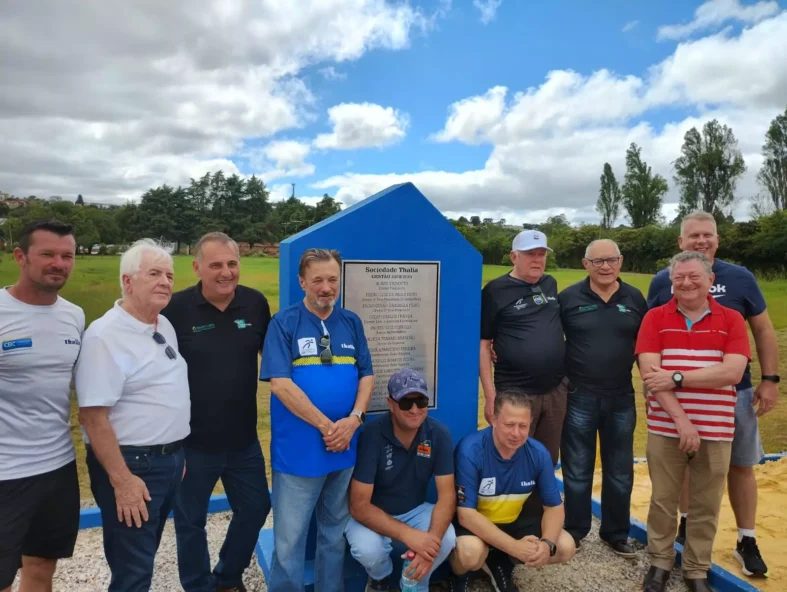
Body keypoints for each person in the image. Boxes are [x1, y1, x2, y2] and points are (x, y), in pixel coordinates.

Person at [646, 210, 779, 578]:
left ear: (717, 240)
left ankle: (746, 538)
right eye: (693, 236)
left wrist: (770, 379)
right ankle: (688, 525)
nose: (701, 241)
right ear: (681, 242)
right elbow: (652, 339)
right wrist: (655, 386)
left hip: (731, 393)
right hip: (677, 395)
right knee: (687, 464)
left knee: (740, 464)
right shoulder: (663, 281)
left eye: (707, 235)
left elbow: (764, 331)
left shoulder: (740, 277)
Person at [75, 239, 191, 592]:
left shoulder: (163, 325)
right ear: (127, 281)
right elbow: (93, 418)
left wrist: (174, 453)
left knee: (144, 553)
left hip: (167, 459)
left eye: (169, 275)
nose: (165, 282)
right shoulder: (104, 336)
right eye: (154, 273)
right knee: (134, 569)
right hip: (132, 465)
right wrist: (123, 481)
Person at [162, 232, 272, 592]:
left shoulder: (255, 304)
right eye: (215, 265)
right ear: (196, 268)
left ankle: (227, 576)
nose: (226, 272)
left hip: (243, 441)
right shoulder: (175, 309)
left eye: (232, 264)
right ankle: (197, 585)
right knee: (190, 522)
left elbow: (273, 364)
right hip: (191, 443)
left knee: (256, 508)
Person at [259, 248, 374, 592]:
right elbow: (280, 384)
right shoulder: (285, 323)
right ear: (302, 282)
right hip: (300, 453)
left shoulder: (351, 322)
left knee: (333, 533)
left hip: (344, 447)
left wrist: (353, 420)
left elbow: (367, 374)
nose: (326, 287)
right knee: (290, 540)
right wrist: (329, 427)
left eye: (332, 279)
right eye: (318, 280)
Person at [637, 251, 750, 592]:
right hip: (666, 428)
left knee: (706, 503)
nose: (685, 283)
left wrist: (677, 377)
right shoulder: (655, 318)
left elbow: (732, 371)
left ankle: (696, 568)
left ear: (710, 281)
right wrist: (683, 422)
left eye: (694, 277)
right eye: (678, 278)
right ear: (671, 282)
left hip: (716, 429)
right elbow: (649, 374)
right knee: (662, 500)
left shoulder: (731, 319)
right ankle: (659, 562)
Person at [0, 219, 84, 592]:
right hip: (6, 471)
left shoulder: (74, 315)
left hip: (58, 466)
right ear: (20, 256)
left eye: (67, 255)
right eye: (47, 254)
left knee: (41, 564)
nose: (59, 263)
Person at [558, 239, 646, 556]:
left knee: (620, 470)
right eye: (597, 261)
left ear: (620, 261)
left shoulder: (635, 298)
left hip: (621, 397)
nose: (605, 266)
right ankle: (575, 530)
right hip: (579, 396)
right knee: (578, 468)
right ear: (586, 264)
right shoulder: (568, 298)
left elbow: (646, 347)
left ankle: (615, 532)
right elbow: (548, 338)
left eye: (611, 260)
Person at [480, 230, 567, 527]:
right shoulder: (495, 290)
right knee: (511, 459)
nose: (537, 260)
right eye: (530, 254)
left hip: (554, 391)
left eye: (542, 254)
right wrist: (490, 396)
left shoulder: (550, 283)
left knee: (545, 459)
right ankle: (503, 530)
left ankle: (533, 524)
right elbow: (483, 344)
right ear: (513, 256)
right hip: (516, 394)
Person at [448, 389, 575, 592]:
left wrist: (546, 544)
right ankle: (460, 574)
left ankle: (500, 560)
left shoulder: (538, 453)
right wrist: (514, 546)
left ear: (530, 422)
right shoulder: (470, 450)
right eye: (509, 425)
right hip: (477, 525)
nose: (516, 433)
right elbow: (466, 515)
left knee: (565, 546)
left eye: (523, 426)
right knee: (469, 553)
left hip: (513, 521)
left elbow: (554, 507)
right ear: (494, 419)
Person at [345, 368, 456, 592]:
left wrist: (429, 547)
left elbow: (447, 496)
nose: (415, 409)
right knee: (369, 551)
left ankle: (413, 582)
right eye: (406, 403)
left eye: (421, 401)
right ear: (391, 404)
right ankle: (381, 579)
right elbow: (359, 506)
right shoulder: (371, 435)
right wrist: (410, 536)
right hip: (373, 513)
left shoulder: (439, 433)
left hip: (415, 510)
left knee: (447, 539)